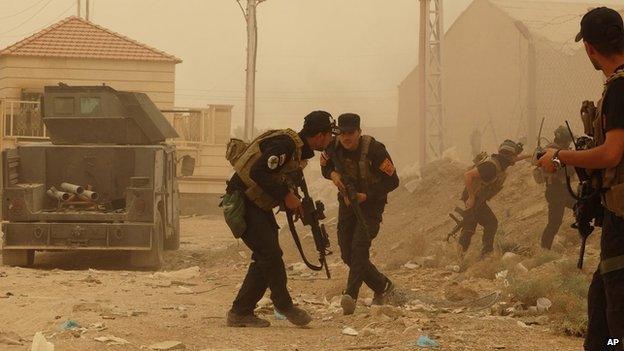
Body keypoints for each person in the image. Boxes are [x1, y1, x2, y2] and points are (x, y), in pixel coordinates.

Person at [538, 7, 624, 350]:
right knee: (602, 310)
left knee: (616, 318)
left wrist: (561, 157)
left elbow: (611, 154)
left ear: (589, 47)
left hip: (622, 221)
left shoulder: (619, 89)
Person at [225, 111, 335, 328]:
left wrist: (294, 201)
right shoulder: (286, 146)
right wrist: (286, 196)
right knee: (270, 254)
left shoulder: (297, 153)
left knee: (267, 256)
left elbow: (279, 180)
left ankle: (240, 312)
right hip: (243, 202)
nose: (331, 140)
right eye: (329, 135)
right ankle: (283, 305)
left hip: (257, 205)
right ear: (320, 135)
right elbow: (259, 171)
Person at [320, 113, 399, 315]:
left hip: (371, 205)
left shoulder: (375, 150)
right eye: (343, 133)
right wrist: (333, 175)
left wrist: (367, 195)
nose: (346, 138)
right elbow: (325, 166)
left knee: (359, 247)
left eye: (351, 133)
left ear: (359, 132)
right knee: (347, 252)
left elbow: (392, 181)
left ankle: (351, 295)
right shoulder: (333, 147)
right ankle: (383, 286)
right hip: (347, 203)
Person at [459, 140, 525, 259]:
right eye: (514, 155)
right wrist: (471, 197)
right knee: (485, 224)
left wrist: (529, 155)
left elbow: (514, 159)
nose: (515, 159)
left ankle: (462, 256)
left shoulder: (502, 162)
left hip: (478, 198)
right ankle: (484, 255)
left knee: (472, 226)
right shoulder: (491, 167)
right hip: (473, 198)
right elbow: (468, 175)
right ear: (508, 156)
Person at [538, 126, 575, 250]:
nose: (569, 143)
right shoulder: (553, 153)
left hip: (562, 190)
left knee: (580, 207)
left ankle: (583, 236)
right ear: (564, 140)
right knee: (555, 222)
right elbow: (563, 171)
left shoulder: (553, 150)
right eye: (568, 141)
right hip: (556, 191)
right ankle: (544, 249)